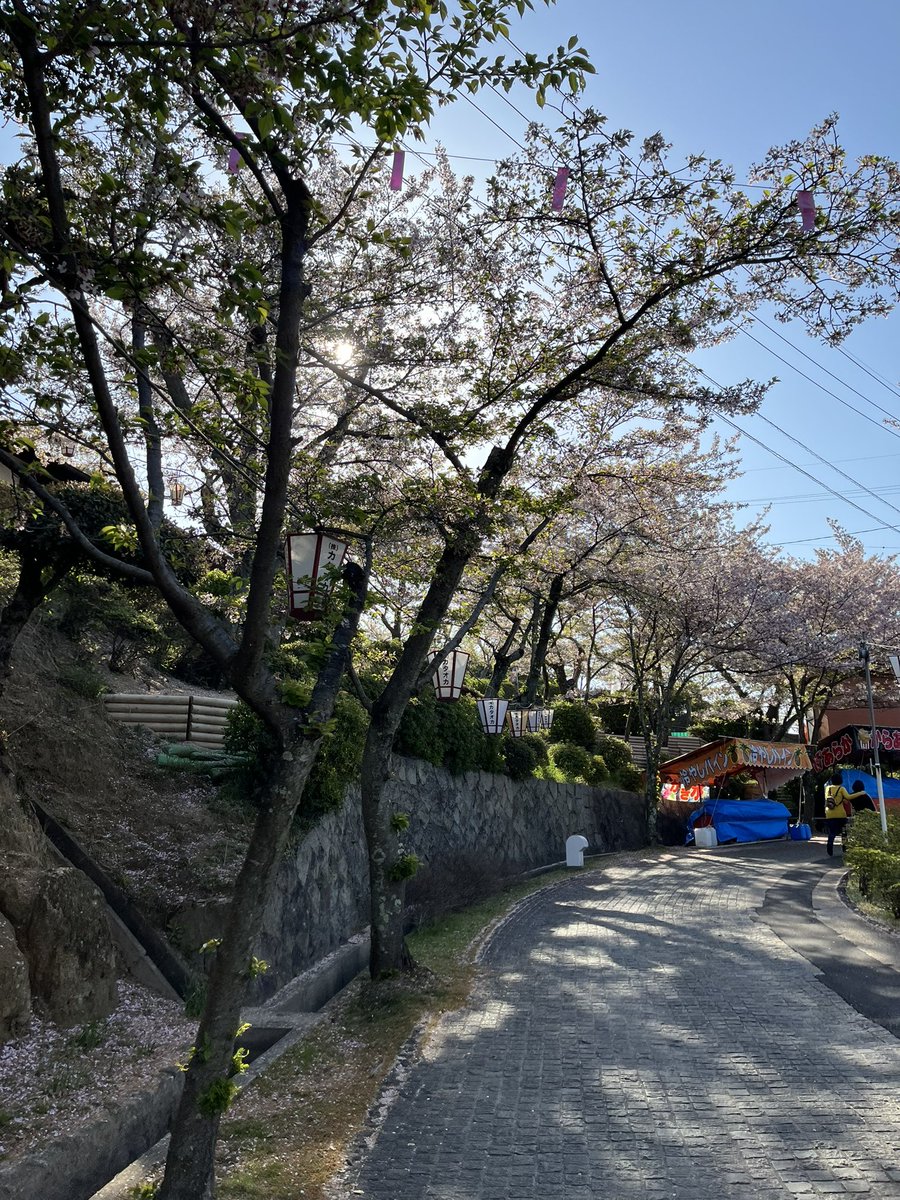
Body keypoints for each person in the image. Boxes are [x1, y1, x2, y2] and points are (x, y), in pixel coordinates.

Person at [823, 773, 869, 855]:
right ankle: (845, 848)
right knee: (844, 833)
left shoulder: (827, 788)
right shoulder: (841, 789)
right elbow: (848, 797)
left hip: (829, 814)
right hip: (840, 815)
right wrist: (861, 793)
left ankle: (830, 845)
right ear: (840, 780)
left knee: (832, 832)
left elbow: (829, 798)